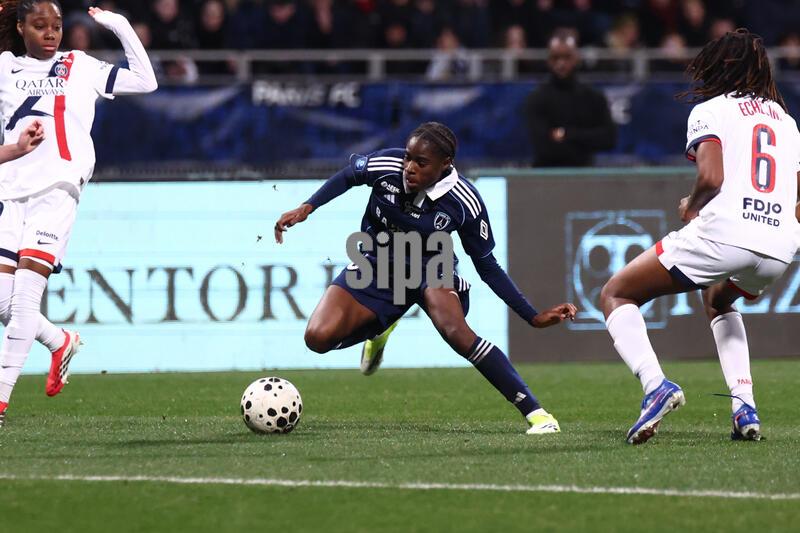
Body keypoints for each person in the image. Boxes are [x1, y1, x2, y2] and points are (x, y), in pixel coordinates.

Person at [274, 122, 577, 434]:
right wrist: (307, 207)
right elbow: (350, 175)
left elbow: (487, 266)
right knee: (317, 338)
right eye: (408, 157)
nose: (409, 167)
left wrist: (532, 316)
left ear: (446, 164)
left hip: (432, 265)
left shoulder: (464, 201)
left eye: (421, 162)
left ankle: (538, 414)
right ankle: (379, 329)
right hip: (375, 260)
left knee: (456, 332)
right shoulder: (388, 165)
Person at [599, 29, 800, 445]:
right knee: (718, 299)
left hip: (725, 234)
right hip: (781, 245)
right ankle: (744, 405)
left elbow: (711, 176)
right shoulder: (787, 122)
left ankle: (656, 385)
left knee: (617, 294)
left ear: (720, 66)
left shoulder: (710, 110)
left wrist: (691, 205)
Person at [0, 0, 157, 428]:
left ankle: (0, 402)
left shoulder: (80, 65)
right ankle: (59, 340)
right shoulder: (4, 69)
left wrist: (120, 25)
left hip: (58, 188)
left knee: (26, 299)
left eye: (55, 26)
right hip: (10, 192)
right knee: (3, 304)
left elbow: (146, 82)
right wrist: (12, 150)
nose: (51, 33)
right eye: (39, 26)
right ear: (20, 27)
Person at [524, 28, 616, 167]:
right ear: (549, 60)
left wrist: (567, 134)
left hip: (585, 174)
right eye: (556, 58)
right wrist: (584, 139)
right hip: (546, 176)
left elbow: (608, 138)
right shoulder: (537, 98)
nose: (561, 64)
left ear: (576, 58)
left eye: (567, 57)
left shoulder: (593, 97)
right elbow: (542, 146)